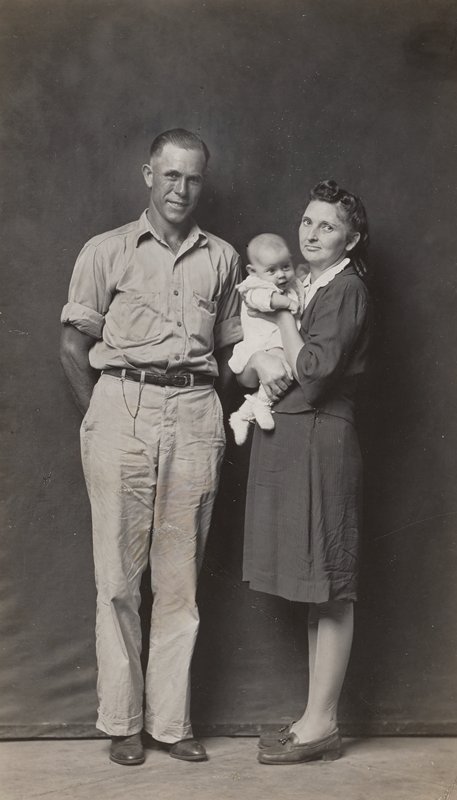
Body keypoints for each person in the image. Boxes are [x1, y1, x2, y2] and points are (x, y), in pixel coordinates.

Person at [59, 129, 242, 766]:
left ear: (202, 183)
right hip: (121, 408)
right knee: (116, 578)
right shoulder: (106, 250)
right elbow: (73, 343)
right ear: (148, 175)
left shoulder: (223, 257)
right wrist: (100, 418)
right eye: (170, 176)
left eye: (192, 179)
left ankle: (170, 722)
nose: (180, 190)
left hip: (196, 410)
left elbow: (235, 351)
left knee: (180, 580)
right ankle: (123, 723)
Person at [238, 179, 371, 765]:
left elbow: (312, 374)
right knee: (316, 586)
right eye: (308, 222)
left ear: (352, 238)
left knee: (332, 588)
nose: (312, 233)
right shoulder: (313, 283)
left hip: (324, 439)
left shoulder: (344, 288)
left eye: (328, 226)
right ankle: (314, 717)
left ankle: (322, 724)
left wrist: (287, 315)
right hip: (299, 441)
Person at [228, 234, 305, 445]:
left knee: (285, 372)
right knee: (285, 372)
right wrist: (287, 304)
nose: (281, 275)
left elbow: (298, 288)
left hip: (277, 343)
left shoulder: (287, 284)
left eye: (286, 266)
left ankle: (243, 414)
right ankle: (261, 405)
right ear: (253, 271)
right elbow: (263, 301)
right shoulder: (254, 286)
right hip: (262, 344)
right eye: (272, 270)